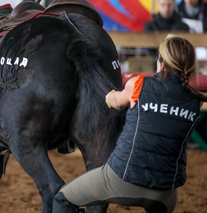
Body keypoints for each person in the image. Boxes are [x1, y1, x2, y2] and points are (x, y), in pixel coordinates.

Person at [53, 35, 206, 213]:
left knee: (61, 199)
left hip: (122, 179)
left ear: (162, 64)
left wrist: (108, 94)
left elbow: (115, 101)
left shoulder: (138, 85)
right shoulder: (196, 101)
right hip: (164, 191)